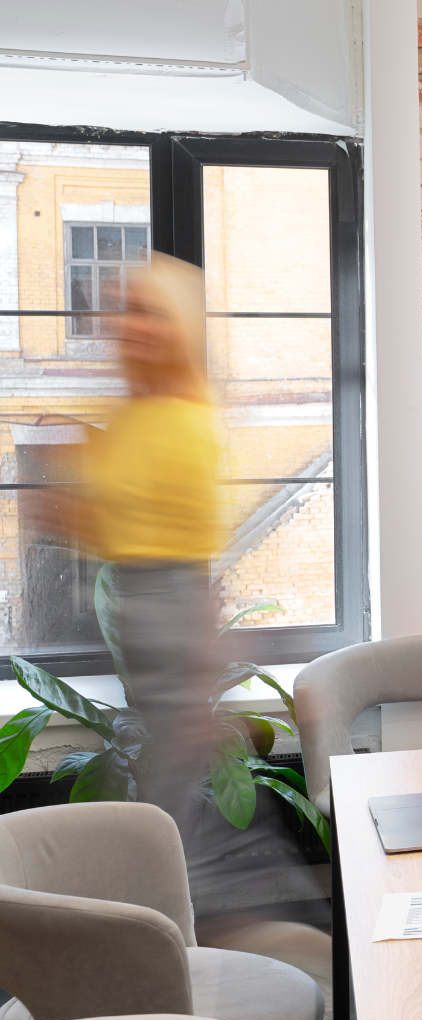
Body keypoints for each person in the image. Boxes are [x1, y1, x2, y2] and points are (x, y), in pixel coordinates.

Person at [80, 255, 225, 856]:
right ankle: (188, 918)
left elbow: (179, 538)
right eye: (125, 310)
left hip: (168, 609)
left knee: (168, 800)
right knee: (166, 792)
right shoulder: (133, 413)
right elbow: (113, 523)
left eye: (149, 312)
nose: (129, 323)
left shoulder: (183, 418)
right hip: (138, 607)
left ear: (180, 328)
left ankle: (192, 924)